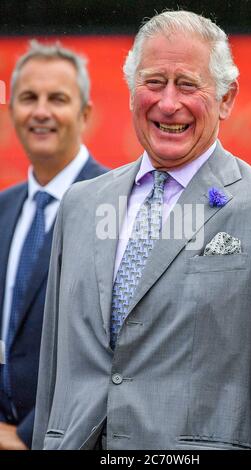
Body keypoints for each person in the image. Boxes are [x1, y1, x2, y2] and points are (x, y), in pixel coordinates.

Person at [33, 11, 251, 450]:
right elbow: (53, 372)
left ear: (227, 98)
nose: (169, 103)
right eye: (154, 82)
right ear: (132, 92)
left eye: (188, 85)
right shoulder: (80, 206)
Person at [0, 40, 107, 450]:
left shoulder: (117, 206)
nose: (41, 111)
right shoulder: (4, 208)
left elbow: (116, 350)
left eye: (57, 98)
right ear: (12, 112)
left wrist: (27, 437)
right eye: (28, 98)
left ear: (85, 114)